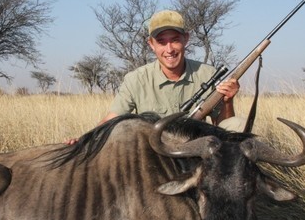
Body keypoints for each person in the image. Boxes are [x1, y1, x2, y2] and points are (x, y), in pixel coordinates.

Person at [67, 10, 242, 144]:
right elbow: (111, 119)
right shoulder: (135, 79)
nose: (169, 49)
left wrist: (227, 101)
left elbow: (223, 124)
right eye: (161, 42)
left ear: (185, 39)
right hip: (153, 151)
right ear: (151, 44)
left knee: (237, 126)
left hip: (196, 146)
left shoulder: (208, 74)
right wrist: (83, 141)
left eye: (175, 40)